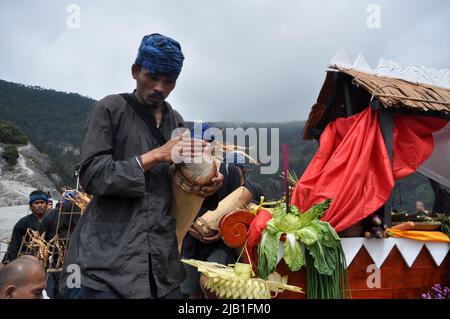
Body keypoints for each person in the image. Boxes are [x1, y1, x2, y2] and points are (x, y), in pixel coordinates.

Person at [60, 33, 223, 299]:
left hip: (161, 265)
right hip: (106, 264)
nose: (160, 87)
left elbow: (179, 186)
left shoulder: (177, 123)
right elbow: (92, 175)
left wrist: (205, 186)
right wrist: (156, 155)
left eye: (168, 81)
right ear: (136, 71)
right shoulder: (110, 109)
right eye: (152, 77)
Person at [181, 152, 265, 299]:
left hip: (224, 245)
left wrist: (223, 232)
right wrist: (188, 225)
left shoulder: (250, 188)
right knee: (193, 292)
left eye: (235, 169)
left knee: (211, 286)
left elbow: (255, 217)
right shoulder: (194, 177)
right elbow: (184, 208)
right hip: (192, 244)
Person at [2, 190, 49, 263]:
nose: (40, 205)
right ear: (31, 206)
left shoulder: (53, 220)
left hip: (48, 258)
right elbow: (14, 244)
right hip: (27, 259)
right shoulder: (23, 222)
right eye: (36, 203)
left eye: (42, 202)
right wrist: (11, 262)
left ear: (46, 204)